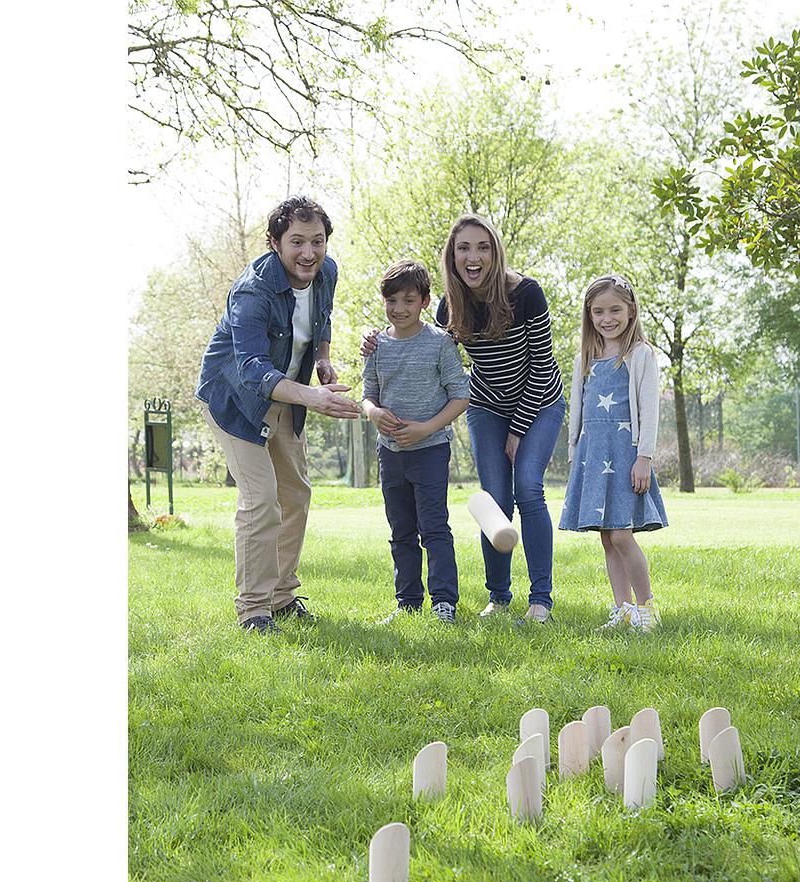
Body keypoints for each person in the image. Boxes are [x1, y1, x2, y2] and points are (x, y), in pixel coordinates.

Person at [362, 214, 565, 622]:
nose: (473, 257)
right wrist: (374, 339)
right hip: (487, 406)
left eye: (482, 247)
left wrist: (519, 428)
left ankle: (540, 598)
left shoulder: (526, 293)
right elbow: (423, 346)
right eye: (463, 249)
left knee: (527, 489)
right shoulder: (448, 307)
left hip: (539, 403)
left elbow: (543, 366)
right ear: (452, 258)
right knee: (494, 498)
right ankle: (499, 596)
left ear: (495, 252)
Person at [196, 195, 361, 634]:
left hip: (288, 395)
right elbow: (251, 368)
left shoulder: (326, 272)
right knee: (261, 498)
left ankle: (282, 597)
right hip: (235, 400)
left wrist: (323, 360)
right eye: (297, 242)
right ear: (274, 243)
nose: (309, 252)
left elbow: (321, 321)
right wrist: (312, 397)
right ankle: (254, 610)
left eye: (317, 241)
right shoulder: (253, 291)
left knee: (296, 495)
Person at [361, 260, 471, 623]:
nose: (400, 309)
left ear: (425, 301)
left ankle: (444, 602)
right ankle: (407, 602)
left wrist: (426, 428)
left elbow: (461, 395)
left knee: (434, 527)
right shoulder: (376, 346)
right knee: (401, 530)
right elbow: (368, 396)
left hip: (430, 451)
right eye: (392, 301)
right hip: (390, 453)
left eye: (409, 300)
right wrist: (374, 414)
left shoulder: (439, 344)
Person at [559, 274, 668, 632]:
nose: (607, 318)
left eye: (615, 310)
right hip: (594, 454)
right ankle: (622, 609)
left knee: (622, 532)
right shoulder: (586, 358)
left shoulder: (640, 355)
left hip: (626, 455)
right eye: (598, 312)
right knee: (607, 535)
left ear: (631, 311)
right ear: (589, 315)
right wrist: (575, 454)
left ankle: (646, 608)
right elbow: (577, 409)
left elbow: (649, 410)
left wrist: (645, 457)